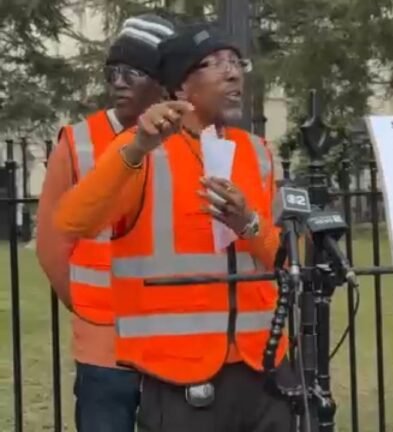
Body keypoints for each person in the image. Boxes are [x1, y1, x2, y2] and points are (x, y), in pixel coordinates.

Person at [53, 22, 292, 432]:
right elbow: (73, 220)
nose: (233, 73)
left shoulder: (257, 152)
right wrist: (136, 148)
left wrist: (248, 224)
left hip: (264, 370)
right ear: (181, 88)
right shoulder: (142, 151)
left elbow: (285, 261)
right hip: (181, 377)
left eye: (236, 62)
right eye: (215, 64)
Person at [35, 14, 175, 432]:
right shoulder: (78, 142)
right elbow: (52, 246)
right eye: (113, 71)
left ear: (163, 81)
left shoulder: (190, 141)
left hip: (177, 344)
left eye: (133, 71)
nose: (118, 82)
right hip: (104, 349)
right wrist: (91, 312)